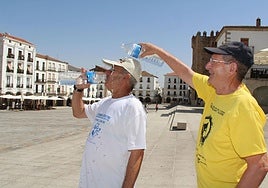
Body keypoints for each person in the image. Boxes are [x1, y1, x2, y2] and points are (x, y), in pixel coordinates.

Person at [139, 41, 267, 187]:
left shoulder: (243, 106)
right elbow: (185, 72)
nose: (207, 66)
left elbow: (259, 165)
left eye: (214, 61)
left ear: (232, 68)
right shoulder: (214, 89)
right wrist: (158, 51)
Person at [72, 58, 147, 188]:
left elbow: (137, 152)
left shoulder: (132, 107)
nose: (107, 73)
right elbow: (79, 112)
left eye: (112, 70)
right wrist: (78, 90)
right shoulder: (105, 102)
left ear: (126, 77)